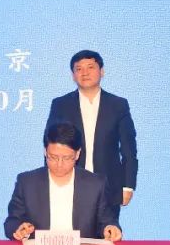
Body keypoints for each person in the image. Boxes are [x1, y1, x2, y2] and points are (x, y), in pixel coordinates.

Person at [46, 50, 137, 220]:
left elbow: (129, 149)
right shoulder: (60, 104)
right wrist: (49, 183)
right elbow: (51, 145)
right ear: (73, 75)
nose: (85, 73)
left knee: (107, 233)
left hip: (108, 185)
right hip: (69, 184)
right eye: (79, 69)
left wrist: (128, 185)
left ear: (102, 71)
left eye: (90, 67)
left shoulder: (118, 105)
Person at [4, 122, 122, 241]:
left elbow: (107, 221)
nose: (59, 164)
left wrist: (110, 228)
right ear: (45, 152)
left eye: (66, 158)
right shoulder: (27, 183)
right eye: (53, 157)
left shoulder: (96, 184)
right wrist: (19, 228)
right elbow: (12, 221)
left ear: (77, 154)